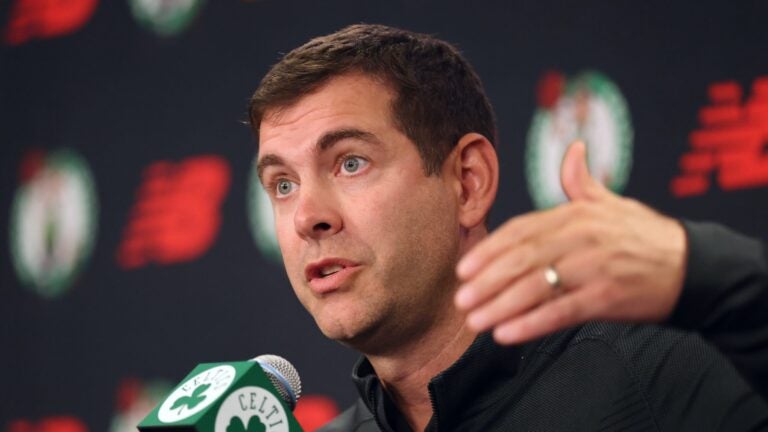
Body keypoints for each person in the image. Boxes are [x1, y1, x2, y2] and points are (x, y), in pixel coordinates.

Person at [249, 24, 768, 431]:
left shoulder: (658, 374)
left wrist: (694, 265)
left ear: (469, 182)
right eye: (283, 184)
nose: (306, 218)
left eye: (351, 163)